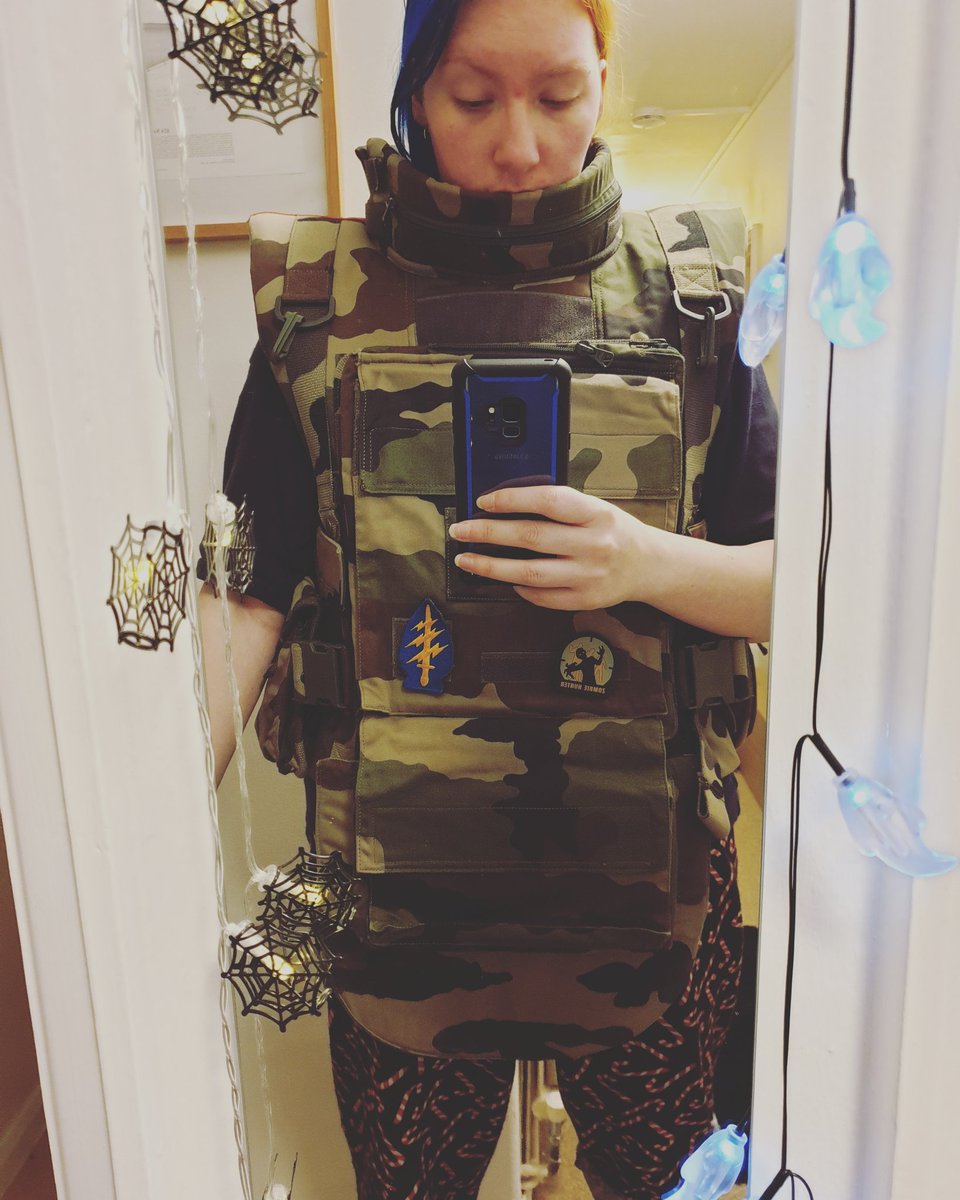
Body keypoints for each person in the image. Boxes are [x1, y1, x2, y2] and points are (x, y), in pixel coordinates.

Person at [199, 0, 778, 1197]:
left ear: (605, 77)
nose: (519, 144)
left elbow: (804, 592)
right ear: (415, 90)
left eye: (559, 95)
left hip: (654, 901)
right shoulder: (312, 305)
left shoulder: (699, 297)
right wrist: (136, 839)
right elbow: (250, 602)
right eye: (474, 98)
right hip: (394, 904)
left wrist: (644, 562)